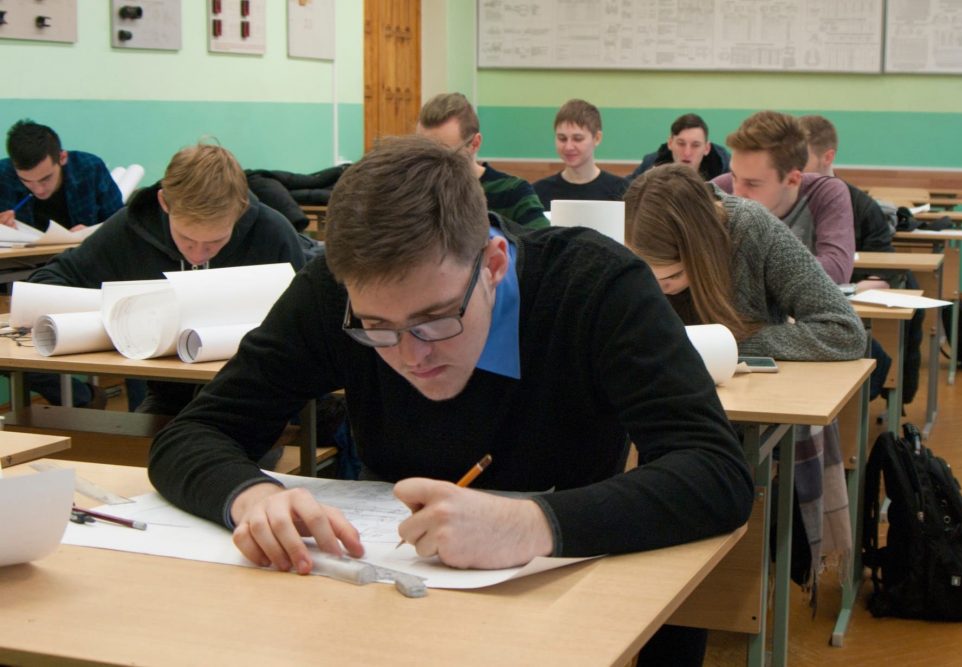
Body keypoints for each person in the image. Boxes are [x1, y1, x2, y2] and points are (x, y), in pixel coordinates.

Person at [148, 136, 753, 666]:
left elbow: (716, 472)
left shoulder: (596, 287)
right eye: (378, 328)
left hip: (562, 606)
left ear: (492, 264)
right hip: (386, 603)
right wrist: (250, 497)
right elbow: (193, 435)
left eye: (436, 321)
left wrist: (532, 524)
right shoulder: (335, 295)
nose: (411, 355)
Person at [625, 163, 866, 602]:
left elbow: (845, 331)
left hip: (734, 418)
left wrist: (740, 341)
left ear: (703, 249)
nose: (661, 292)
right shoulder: (621, 232)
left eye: (674, 277)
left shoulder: (749, 228)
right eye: (649, 279)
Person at [29, 143, 307, 415]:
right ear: (164, 203)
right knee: (142, 450)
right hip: (169, 395)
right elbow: (48, 281)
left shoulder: (272, 232)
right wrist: (119, 311)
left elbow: (303, 322)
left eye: (215, 241)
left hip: (253, 397)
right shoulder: (131, 227)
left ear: (241, 209)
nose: (198, 254)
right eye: (186, 238)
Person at [800, 114, 924, 403]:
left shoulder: (861, 206)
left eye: (800, 156)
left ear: (827, 156)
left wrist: (848, 290)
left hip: (844, 305)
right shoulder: (781, 198)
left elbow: (883, 270)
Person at [712, 110, 855, 285]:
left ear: (793, 179)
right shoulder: (718, 189)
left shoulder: (826, 192)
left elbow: (836, 271)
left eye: (752, 184)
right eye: (734, 176)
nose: (736, 193)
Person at [417, 92, 547, 230]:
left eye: (445, 153)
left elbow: (545, 246)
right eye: (422, 150)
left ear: (474, 144)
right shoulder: (412, 192)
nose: (431, 161)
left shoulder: (513, 192)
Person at [0, 119, 122, 232]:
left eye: (45, 179)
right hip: (24, 255)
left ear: (62, 157)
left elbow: (122, 226)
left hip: (85, 253)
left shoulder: (90, 169)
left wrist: (94, 233)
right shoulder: (3, 175)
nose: (39, 190)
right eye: (26, 180)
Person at [531, 99, 628, 209]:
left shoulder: (621, 190)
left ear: (597, 138)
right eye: (562, 138)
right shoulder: (538, 192)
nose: (568, 147)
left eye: (578, 139)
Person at [628, 113, 731, 183]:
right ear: (670, 143)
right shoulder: (651, 164)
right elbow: (627, 191)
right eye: (681, 144)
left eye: (695, 145)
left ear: (706, 148)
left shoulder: (726, 171)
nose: (687, 153)